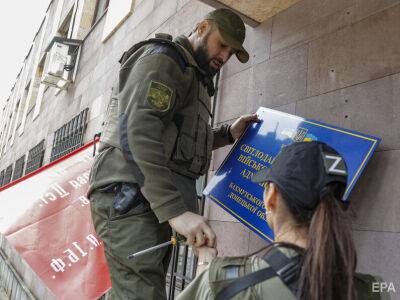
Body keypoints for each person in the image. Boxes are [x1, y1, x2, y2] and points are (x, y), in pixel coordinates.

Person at [88, 8, 259, 300]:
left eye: (232, 52)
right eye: (223, 45)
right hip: (129, 199)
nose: (225, 56)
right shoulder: (164, 60)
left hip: (148, 202)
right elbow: (137, 134)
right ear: (202, 27)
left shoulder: (194, 76)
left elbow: (180, 143)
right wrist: (176, 212)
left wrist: (229, 134)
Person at [178, 141, 388, 300]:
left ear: (272, 197)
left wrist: (207, 264)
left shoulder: (222, 282)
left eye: (266, 186)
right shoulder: (376, 290)